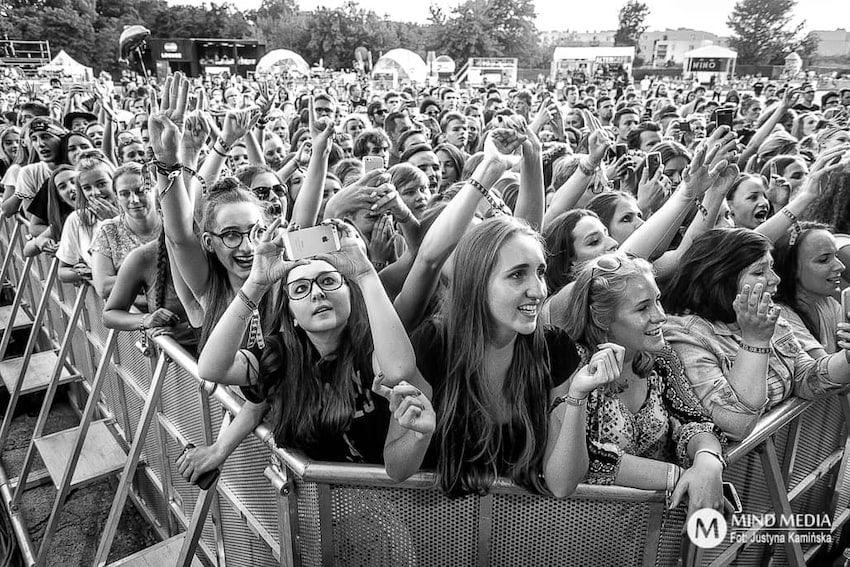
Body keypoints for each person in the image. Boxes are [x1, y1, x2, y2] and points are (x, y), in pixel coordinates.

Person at [186, 219, 431, 478]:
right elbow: (211, 368)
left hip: (375, 501)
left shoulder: (377, 349)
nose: (317, 294)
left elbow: (399, 371)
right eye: (301, 289)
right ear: (291, 313)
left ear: (350, 294)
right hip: (307, 505)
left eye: (328, 281)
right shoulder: (278, 355)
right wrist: (256, 285)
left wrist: (365, 275)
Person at [410, 215, 623, 497]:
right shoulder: (434, 343)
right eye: (517, 274)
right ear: (477, 281)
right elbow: (397, 468)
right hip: (437, 525)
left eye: (540, 272)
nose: (537, 291)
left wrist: (578, 396)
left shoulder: (554, 348)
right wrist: (419, 434)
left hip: (519, 532)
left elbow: (561, 484)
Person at [563, 253, 726, 516]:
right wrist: (681, 476)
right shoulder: (574, 363)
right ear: (601, 318)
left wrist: (708, 462)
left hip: (648, 530)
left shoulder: (662, 357)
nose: (660, 316)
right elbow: (585, 460)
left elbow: (693, 419)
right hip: (584, 525)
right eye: (642, 308)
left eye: (658, 300)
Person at [663, 228, 850, 440]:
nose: (775, 279)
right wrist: (755, 342)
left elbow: (806, 378)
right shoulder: (686, 336)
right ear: (720, 278)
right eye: (760, 272)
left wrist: (847, 359)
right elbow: (735, 424)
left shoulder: (766, 314)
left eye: (772, 268)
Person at [90, 162, 161, 299]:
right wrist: (150, 275)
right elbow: (103, 287)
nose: (134, 200)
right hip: (133, 315)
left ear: (154, 190)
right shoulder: (109, 231)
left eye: (140, 191)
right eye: (124, 194)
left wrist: (129, 281)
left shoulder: (172, 222)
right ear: (116, 197)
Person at [773, 223, 845, 357]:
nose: (840, 266)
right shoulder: (779, 316)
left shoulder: (828, 304)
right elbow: (825, 373)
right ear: (792, 269)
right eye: (824, 260)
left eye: (836, 256)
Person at [56, 152, 119, 284]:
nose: (95, 193)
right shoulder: (76, 219)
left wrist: (116, 220)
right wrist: (87, 273)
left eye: (101, 184)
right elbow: (62, 272)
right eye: (87, 188)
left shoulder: (134, 210)